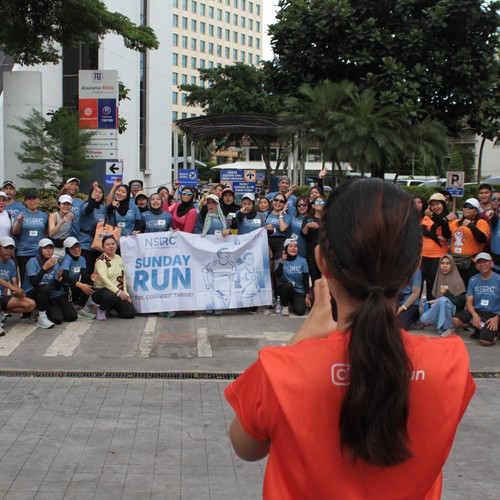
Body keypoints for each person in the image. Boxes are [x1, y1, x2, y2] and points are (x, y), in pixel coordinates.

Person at [225, 178, 475, 499]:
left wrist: (298, 342)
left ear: (322, 262)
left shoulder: (281, 369)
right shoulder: (451, 364)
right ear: (414, 264)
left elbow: (246, 446)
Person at [23, 239, 78, 328]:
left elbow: (57, 287)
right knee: (57, 319)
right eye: (45, 248)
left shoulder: (54, 263)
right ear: (40, 250)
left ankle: (44, 310)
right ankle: (40, 315)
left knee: (72, 316)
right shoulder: (32, 262)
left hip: (50, 294)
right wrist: (44, 269)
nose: (49, 250)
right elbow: (34, 283)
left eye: (51, 248)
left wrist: (59, 278)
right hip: (33, 292)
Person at [452, 252, 500, 346]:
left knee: (485, 341)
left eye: (485, 261)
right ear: (476, 266)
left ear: (492, 263)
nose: (482, 264)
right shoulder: (473, 280)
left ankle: (496, 333)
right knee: (456, 320)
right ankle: (479, 328)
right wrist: (474, 315)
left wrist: (497, 317)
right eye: (479, 262)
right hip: (478, 311)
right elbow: (469, 302)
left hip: (494, 314)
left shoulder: (498, 279)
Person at [420, 254, 466, 337]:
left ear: (452, 265)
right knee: (424, 318)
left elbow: (461, 302)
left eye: (448, 263)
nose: (444, 266)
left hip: (452, 311)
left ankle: (450, 327)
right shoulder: (438, 279)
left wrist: (447, 293)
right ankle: (442, 324)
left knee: (443, 300)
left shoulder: (457, 280)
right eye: (442, 263)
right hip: (439, 309)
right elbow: (435, 297)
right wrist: (429, 303)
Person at [93, 235, 136, 321]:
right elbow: (104, 280)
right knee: (110, 297)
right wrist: (119, 292)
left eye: (113, 244)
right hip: (101, 291)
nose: (111, 246)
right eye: (107, 244)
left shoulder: (118, 258)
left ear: (116, 245)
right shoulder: (100, 261)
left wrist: (125, 293)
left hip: (116, 291)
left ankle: (110, 307)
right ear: (103, 247)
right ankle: (101, 309)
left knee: (130, 313)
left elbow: (123, 276)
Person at [449, 198, 490, 286]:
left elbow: (482, 239)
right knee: (455, 287)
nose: (467, 209)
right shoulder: (456, 222)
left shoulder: (481, 223)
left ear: (476, 211)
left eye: (471, 207)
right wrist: (445, 220)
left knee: (470, 286)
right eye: (465, 206)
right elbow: (446, 234)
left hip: (471, 262)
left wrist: (471, 225)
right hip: (455, 259)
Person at [0, 236, 36, 336]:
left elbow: (14, 284)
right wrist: (11, 287)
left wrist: (18, 292)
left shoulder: (11, 263)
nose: (9, 251)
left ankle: (1, 311)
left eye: (11, 248)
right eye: (6, 248)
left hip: (1, 297)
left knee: (30, 304)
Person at [12, 188, 49, 283]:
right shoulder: (20, 214)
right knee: (25, 279)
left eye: (34, 198)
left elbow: (46, 232)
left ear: (38, 200)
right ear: (25, 201)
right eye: (29, 199)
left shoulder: (44, 216)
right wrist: (19, 221)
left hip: (38, 252)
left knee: (38, 278)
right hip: (24, 252)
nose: (32, 201)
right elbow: (15, 232)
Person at [420, 193, 451, 300]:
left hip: (438, 256)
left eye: (437, 204)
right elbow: (422, 230)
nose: (435, 207)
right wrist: (437, 236)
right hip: (424, 255)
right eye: (432, 205)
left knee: (432, 285)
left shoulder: (449, 217)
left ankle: (432, 307)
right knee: (419, 284)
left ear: (443, 204)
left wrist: (445, 221)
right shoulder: (428, 217)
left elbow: (447, 235)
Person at [274, 238, 311, 317]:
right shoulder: (280, 260)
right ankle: (284, 306)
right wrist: (282, 262)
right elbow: (277, 275)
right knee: (289, 285)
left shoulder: (303, 261)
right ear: (285, 249)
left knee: (300, 311)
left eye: (295, 246)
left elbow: (306, 279)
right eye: (290, 246)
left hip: (298, 291)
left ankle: (292, 302)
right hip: (284, 289)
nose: (293, 248)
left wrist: (307, 295)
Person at [60, 237, 95, 319]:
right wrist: (80, 285)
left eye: (78, 246)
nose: (76, 249)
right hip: (66, 287)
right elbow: (65, 276)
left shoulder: (82, 258)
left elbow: (84, 274)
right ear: (68, 250)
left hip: (75, 284)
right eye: (73, 248)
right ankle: (73, 305)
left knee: (89, 282)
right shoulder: (67, 258)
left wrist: (91, 277)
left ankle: (81, 307)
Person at [78, 182, 106, 274]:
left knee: (98, 271)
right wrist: (93, 193)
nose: (97, 194)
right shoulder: (86, 205)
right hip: (85, 243)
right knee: (88, 270)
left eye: (100, 192)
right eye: (95, 192)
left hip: (97, 243)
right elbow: (90, 209)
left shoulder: (102, 208)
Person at [301, 194, 326, 283]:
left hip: (325, 252)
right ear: (313, 205)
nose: (319, 204)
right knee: (314, 277)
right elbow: (303, 234)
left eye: (322, 202)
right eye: (317, 202)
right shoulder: (308, 218)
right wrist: (308, 226)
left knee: (325, 278)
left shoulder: (328, 218)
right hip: (311, 252)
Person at [48, 194, 75, 259]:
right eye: (63, 204)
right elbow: (51, 233)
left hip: (64, 246)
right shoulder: (53, 216)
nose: (66, 206)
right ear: (59, 205)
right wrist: (62, 222)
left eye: (68, 204)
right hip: (53, 246)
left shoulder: (71, 216)